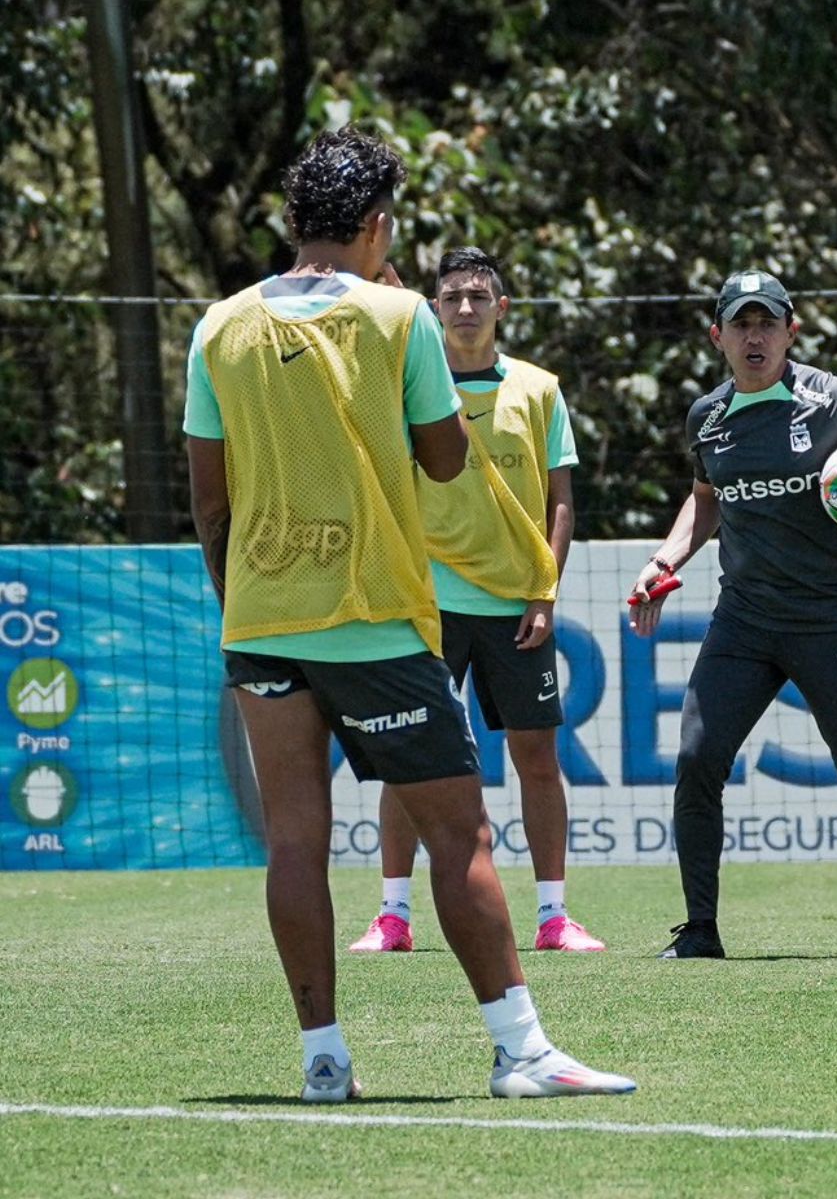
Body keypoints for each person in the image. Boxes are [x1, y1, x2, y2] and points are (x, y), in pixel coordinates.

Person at [185, 127, 634, 1102]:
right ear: (378, 226)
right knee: (460, 836)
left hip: (261, 618)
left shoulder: (218, 326)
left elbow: (208, 499)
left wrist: (243, 605)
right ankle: (521, 1052)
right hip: (376, 617)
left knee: (297, 841)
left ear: (293, 219)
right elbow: (441, 459)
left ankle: (323, 1062)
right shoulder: (398, 319)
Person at [628, 269, 837, 960]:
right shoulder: (707, 418)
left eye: (767, 322)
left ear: (791, 332)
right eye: (741, 324)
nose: (755, 336)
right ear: (717, 336)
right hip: (744, 622)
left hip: (829, 621)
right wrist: (665, 562)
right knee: (696, 758)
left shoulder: (836, 400)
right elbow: (706, 499)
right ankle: (700, 931)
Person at [348, 247, 605, 955]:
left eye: (478, 297)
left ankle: (554, 918)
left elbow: (560, 503)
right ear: (435, 309)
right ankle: (392, 917)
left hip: (516, 607)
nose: (466, 308)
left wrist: (542, 591)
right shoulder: (409, 387)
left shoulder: (539, 389)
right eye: (453, 296)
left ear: (502, 309)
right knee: (408, 759)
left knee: (537, 758)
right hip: (426, 603)